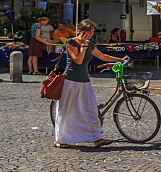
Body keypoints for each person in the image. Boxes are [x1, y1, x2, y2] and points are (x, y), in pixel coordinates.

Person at [54, 19, 129, 148]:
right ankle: (61, 139)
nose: (91, 35)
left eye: (92, 32)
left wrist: (120, 59)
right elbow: (78, 60)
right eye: (89, 32)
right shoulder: (70, 42)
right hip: (71, 81)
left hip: (84, 81)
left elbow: (102, 56)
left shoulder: (90, 43)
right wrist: (83, 46)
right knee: (67, 111)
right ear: (81, 31)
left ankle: (96, 138)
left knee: (91, 110)